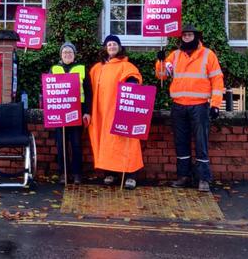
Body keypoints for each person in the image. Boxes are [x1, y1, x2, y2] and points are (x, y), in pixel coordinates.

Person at [155, 24, 225, 193]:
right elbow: (162, 76)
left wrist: (215, 104)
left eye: (190, 35)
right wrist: (160, 62)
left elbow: (217, 80)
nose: (187, 37)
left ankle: (203, 179)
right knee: (181, 142)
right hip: (178, 105)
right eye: (184, 35)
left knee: (201, 143)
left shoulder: (208, 55)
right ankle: (183, 176)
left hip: (199, 105)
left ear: (196, 36)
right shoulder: (175, 55)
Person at [88, 34, 143, 189]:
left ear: (119, 47)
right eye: (109, 44)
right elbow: (88, 88)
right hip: (101, 113)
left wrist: (131, 83)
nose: (112, 46)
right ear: (105, 48)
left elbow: (134, 78)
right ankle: (110, 173)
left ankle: (131, 175)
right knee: (106, 144)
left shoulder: (126, 66)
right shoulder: (96, 68)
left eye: (114, 44)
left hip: (120, 111)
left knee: (127, 142)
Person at [50, 42, 92, 184]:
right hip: (59, 112)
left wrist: (87, 112)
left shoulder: (82, 68)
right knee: (61, 144)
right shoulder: (54, 68)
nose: (67, 54)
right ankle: (63, 173)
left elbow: (88, 93)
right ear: (61, 55)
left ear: (74, 55)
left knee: (76, 144)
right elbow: (48, 89)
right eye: (65, 52)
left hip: (77, 111)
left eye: (70, 52)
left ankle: (77, 174)